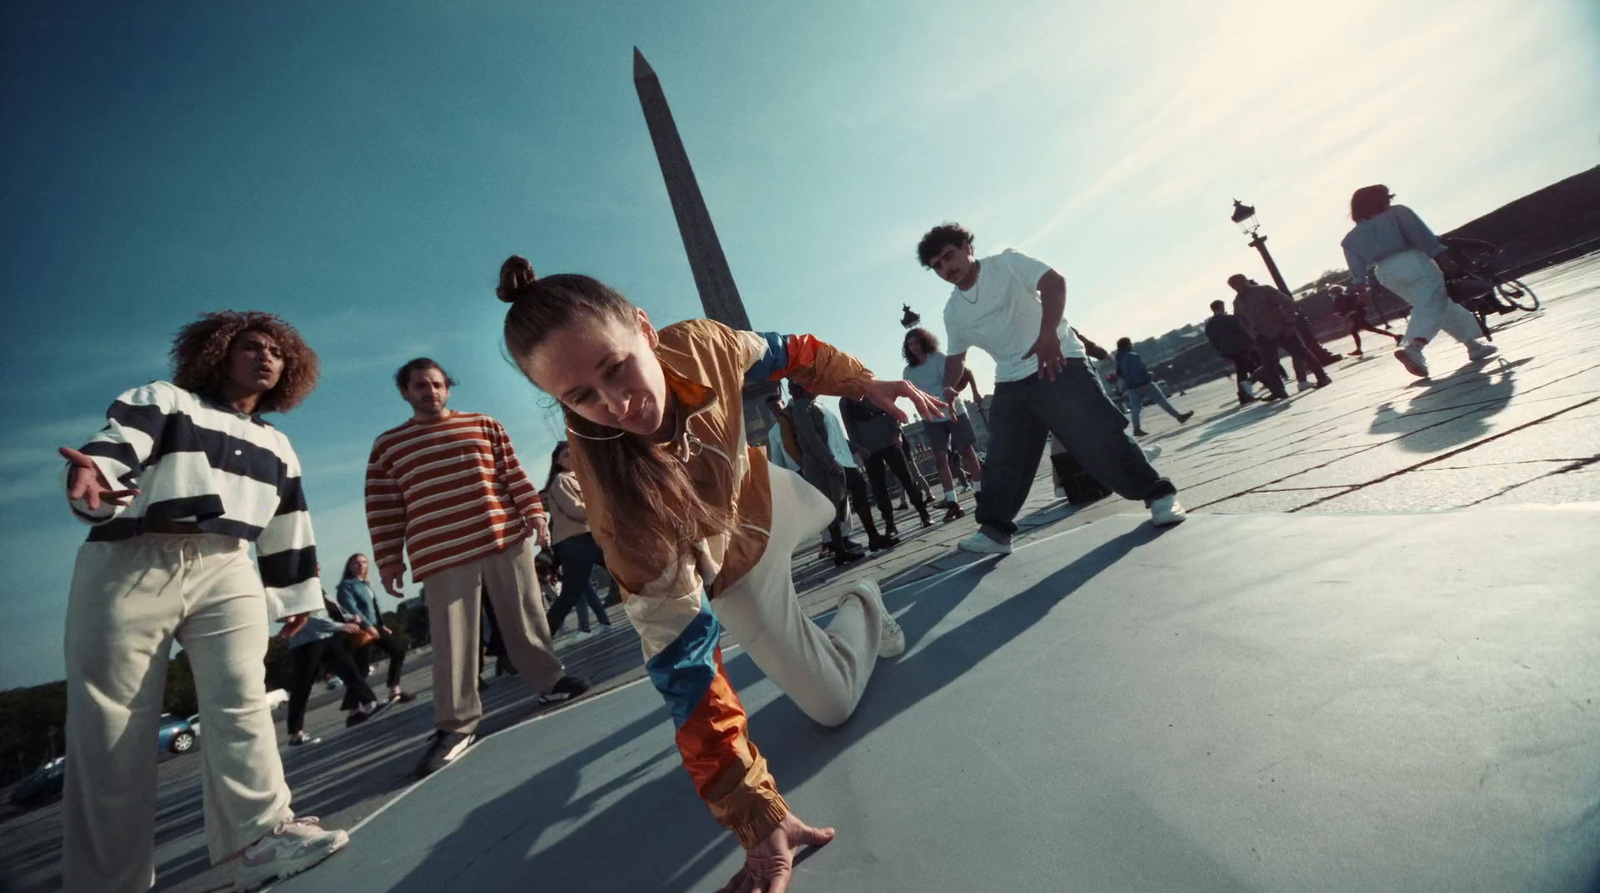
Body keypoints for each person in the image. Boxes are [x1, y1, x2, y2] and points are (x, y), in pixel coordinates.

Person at [493, 255, 929, 893]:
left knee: (807, 509)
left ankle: (826, 539)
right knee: (833, 705)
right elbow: (686, 666)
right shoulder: (617, 505)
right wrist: (758, 819)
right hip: (723, 563)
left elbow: (792, 350)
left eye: (616, 367)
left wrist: (864, 384)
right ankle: (864, 601)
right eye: (581, 396)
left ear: (645, 328)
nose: (616, 403)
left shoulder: (703, 344)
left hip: (769, 498)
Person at [56, 312, 349, 892]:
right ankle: (107, 882)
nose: (265, 357)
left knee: (242, 703)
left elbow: (290, 519)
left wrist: (294, 592)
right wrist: (96, 476)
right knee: (111, 730)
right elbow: (118, 445)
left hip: (228, 565)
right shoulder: (164, 399)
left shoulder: (278, 444)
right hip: (133, 559)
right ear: (217, 352)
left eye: (276, 352)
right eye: (249, 347)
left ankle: (259, 840)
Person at [365, 358, 590, 779]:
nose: (429, 392)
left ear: (447, 388)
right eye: (419, 386)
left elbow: (513, 474)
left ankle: (548, 683)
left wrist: (536, 516)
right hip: (440, 550)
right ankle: (455, 725)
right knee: (453, 639)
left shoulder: (484, 425)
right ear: (405, 393)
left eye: (436, 384)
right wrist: (389, 558)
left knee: (525, 616)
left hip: (502, 535)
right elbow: (383, 506)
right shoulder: (388, 446)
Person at [917, 223, 1187, 555]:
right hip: (1011, 378)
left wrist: (1048, 336)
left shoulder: (1006, 263)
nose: (948, 269)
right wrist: (947, 389)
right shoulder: (953, 311)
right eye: (938, 266)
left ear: (966, 247)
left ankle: (1159, 495)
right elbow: (956, 357)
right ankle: (995, 532)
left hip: (1057, 360)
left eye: (949, 256)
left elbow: (1054, 282)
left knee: (1097, 435)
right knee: (1004, 456)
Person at [1340, 185, 1499, 378]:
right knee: (1432, 303)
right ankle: (1414, 346)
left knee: (1435, 303)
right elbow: (1421, 235)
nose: (1389, 201)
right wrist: (1442, 257)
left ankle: (1473, 345)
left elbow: (1357, 270)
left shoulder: (1350, 239)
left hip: (1384, 273)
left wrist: (1363, 287)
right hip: (1413, 261)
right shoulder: (1397, 213)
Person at [790, 381, 897, 557]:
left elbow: (835, 437)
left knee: (857, 488)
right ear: (802, 387)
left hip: (839, 459)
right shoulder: (801, 408)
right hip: (825, 464)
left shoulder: (817, 405)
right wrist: (828, 459)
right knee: (833, 504)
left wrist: (855, 447)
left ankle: (872, 537)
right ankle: (840, 549)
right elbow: (811, 437)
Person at [901, 327, 983, 521]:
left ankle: (981, 492)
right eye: (910, 345)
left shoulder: (937, 358)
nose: (914, 347)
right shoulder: (908, 371)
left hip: (954, 410)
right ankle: (952, 501)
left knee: (967, 451)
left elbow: (959, 375)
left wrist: (958, 393)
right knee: (940, 458)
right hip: (932, 417)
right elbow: (914, 395)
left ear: (925, 342)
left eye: (916, 343)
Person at [283, 599, 386, 747]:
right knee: (302, 687)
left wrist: (349, 618)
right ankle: (295, 734)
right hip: (306, 643)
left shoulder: (319, 589)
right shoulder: (299, 589)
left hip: (327, 637)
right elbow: (308, 620)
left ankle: (369, 703)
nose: (318, 574)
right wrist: (340, 626)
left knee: (348, 669)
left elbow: (330, 610)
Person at [541, 441, 614, 639]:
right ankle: (542, 638)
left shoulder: (579, 479)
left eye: (573, 454)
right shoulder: (560, 481)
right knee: (570, 594)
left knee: (621, 569)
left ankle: (654, 605)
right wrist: (604, 510)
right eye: (565, 455)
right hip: (574, 543)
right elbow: (575, 509)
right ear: (557, 462)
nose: (571, 458)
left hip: (588, 537)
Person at [838, 394, 934, 535]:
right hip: (868, 449)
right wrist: (858, 447)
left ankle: (923, 513)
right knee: (879, 488)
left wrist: (897, 433)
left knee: (907, 479)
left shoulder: (872, 390)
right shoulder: (845, 401)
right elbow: (849, 426)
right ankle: (890, 523)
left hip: (890, 441)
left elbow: (890, 410)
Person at [1229, 274, 1332, 395]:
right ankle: (1278, 391)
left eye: (1238, 284)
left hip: (1282, 329)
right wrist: (1253, 334)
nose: (1237, 288)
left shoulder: (1264, 290)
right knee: (1269, 365)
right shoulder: (1237, 302)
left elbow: (1288, 303)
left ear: (1245, 281)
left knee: (1302, 354)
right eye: (1234, 286)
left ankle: (1322, 377)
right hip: (1262, 335)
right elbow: (1241, 320)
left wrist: (1289, 323)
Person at [335, 554, 415, 705]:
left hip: (375, 626)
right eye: (356, 563)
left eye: (364, 562)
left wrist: (382, 624)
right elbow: (352, 608)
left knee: (398, 651)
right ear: (349, 566)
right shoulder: (347, 586)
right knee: (361, 670)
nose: (360, 565)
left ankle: (394, 689)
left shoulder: (365, 584)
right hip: (361, 629)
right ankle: (354, 708)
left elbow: (374, 607)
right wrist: (368, 626)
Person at [1111, 337, 1193, 436]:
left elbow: (1121, 374)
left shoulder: (1119, 360)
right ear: (1127, 345)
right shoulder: (1132, 356)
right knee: (1161, 400)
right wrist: (1142, 382)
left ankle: (1136, 428)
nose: (1131, 346)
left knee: (1135, 409)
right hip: (1144, 384)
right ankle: (1179, 417)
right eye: (1130, 344)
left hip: (1131, 387)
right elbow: (1138, 371)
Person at [1203, 300, 1269, 404]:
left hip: (1227, 350)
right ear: (1221, 307)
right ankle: (1244, 394)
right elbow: (1243, 330)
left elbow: (1213, 341)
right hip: (1240, 347)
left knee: (1249, 366)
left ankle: (1268, 385)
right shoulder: (1229, 319)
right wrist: (1252, 342)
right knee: (1243, 370)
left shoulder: (1209, 325)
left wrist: (1221, 351)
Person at [1329, 284, 1402, 356]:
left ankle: (1359, 350)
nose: (1331, 295)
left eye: (1331, 293)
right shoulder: (1347, 296)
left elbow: (1343, 310)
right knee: (1370, 329)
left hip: (1356, 316)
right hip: (1358, 315)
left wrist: (1341, 314)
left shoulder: (1338, 300)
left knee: (1355, 331)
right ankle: (1396, 336)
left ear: (1335, 292)